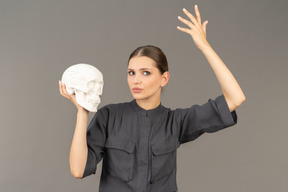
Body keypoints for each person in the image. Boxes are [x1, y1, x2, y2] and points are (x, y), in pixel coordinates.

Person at [59, 5, 245, 192]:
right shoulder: (109, 117)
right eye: (131, 73)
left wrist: (204, 46)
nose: (136, 80)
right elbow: (78, 169)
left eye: (146, 73)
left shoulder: (176, 122)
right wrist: (82, 112)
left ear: (164, 79)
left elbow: (235, 98)